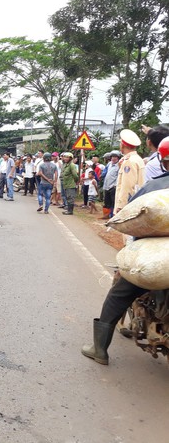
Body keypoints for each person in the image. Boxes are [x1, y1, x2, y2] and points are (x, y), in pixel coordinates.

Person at [81, 136, 169, 365]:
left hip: (155, 256)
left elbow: (133, 215)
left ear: (164, 161)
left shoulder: (155, 186)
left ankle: (99, 349)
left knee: (119, 292)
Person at [114, 129, 145, 214]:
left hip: (128, 206)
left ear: (123, 145)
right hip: (136, 202)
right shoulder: (138, 159)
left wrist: (121, 206)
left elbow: (127, 186)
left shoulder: (129, 161)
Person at [101, 151, 121, 219]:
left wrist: (115, 185)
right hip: (107, 186)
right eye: (112, 157)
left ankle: (112, 216)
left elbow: (119, 176)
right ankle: (106, 215)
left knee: (113, 202)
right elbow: (105, 173)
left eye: (115, 157)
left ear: (118, 158)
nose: (113, 158)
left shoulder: (119, 165)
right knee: (106, 201)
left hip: (113, 187)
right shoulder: (109, 164)